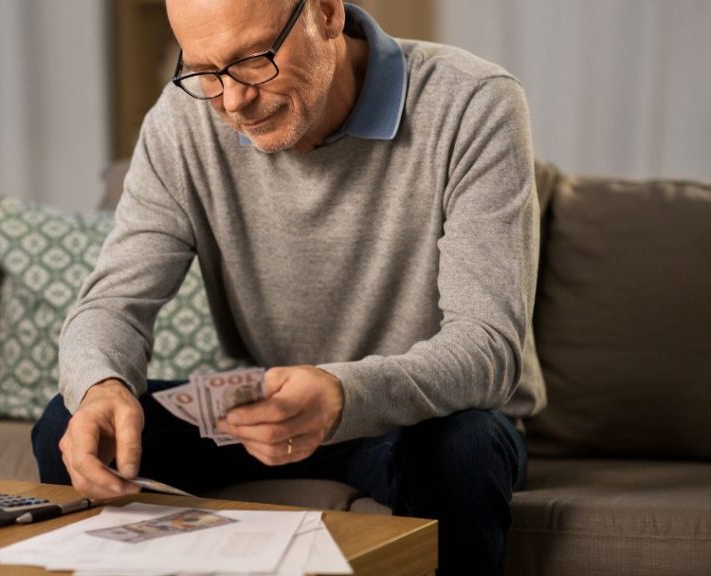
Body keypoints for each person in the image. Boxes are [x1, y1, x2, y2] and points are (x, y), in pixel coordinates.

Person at [33, 0, 546, 573]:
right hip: (267, 415)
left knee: (463, 449)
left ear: (325, 13)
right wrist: (102, 387)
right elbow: (113, 304)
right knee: (71, 421)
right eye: (204, 71)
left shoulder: (472, 102)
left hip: (419, 419)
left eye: (252, 60)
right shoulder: (183, 123)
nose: (231, 102)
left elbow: (488, 347)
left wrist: (341, 392)